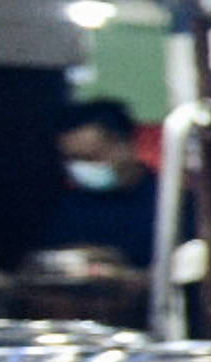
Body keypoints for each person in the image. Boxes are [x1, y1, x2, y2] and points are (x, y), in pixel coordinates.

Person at [45, 99, 161, 256]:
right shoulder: (70, 208)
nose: (81, 167)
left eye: (90, 157)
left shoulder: (172, 203)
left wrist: (125, 274)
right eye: (72, 159)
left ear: (125, 146)